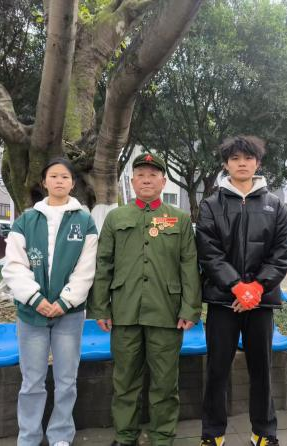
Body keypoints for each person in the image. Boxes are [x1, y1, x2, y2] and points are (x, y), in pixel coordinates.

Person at [88, 153, 202, 446]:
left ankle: (162, 436)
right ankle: (125, 435)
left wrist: (190, 308)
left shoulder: (179, 218)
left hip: (166, 311)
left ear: (163, 182)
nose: (147, 180)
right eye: (140, 175)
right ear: (132, 181)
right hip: (124, 310)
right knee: (125, 379)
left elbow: (189, 265)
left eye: (153, 175)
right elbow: (104, 264)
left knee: (165, 381)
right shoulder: (116, 218)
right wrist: (100, 308)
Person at [195, 136, 287, 446]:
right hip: (223, 302)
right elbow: (208, 252)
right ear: (226, 164)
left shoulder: (275, 205)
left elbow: (282, 252)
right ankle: (213, 434)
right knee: (217, 370)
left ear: (257, 163)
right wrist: (237, 287)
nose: (242, 163)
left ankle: (264, 432)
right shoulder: (211, 205)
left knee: (261, 370)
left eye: (248, 158)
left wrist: (256, 289)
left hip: (260, 304)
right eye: (235, 158)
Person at [2, 158, 98, 446]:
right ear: (44, 182)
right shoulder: (26, 220)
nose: (59, 181)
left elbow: (86, 268)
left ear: (72, 183)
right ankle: (29, 437)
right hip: (31, 314)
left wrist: (65, 301)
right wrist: (35, 298)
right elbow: (13, 266)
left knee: (67, 380)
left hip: (69, 314)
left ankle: (61, 435)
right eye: (53, 176)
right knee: (32, 381)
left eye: (65, 177)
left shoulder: (84, 221)